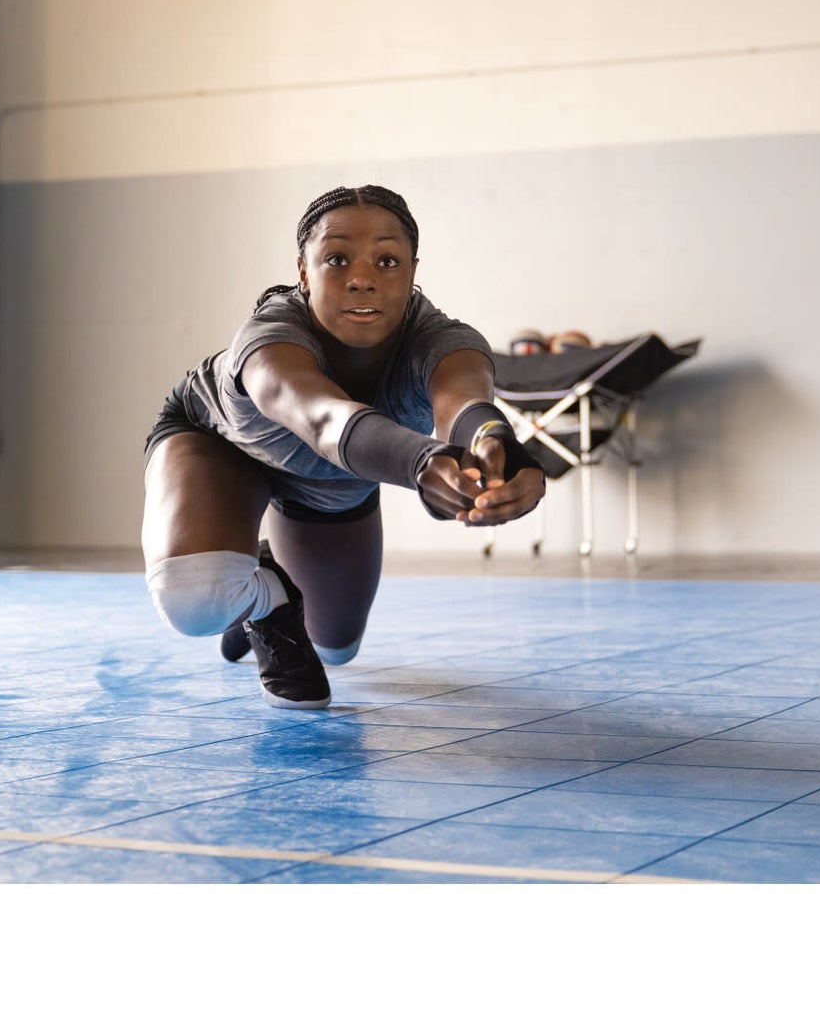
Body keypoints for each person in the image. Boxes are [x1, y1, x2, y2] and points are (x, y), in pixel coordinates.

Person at [140, 185, 546, 708]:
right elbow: (321, 417)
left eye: (387, 260)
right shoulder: (270, 335)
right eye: (336, 259)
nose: (362, 279)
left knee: (336, 646)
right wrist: (423, 462)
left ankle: (261, 566)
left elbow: (465, 404)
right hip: (216, 445)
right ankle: (266, 603)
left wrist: (500, 448)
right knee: (195, 600)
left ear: (413, 270)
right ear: (304, 270)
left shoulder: (445, 339)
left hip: (326, 482)